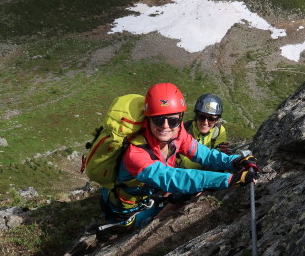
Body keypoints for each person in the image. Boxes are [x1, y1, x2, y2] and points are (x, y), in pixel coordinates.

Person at [100, 82, 259, 231]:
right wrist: (229, 179)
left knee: (180, 197)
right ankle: (116, 229)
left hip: (150, 194)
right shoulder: (136, 154)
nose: (165, 127)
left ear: (180, 119)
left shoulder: (178, 134)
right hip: (127, 208)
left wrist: (234, 161)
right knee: (144, 224)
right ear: (148, 120)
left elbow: (205, 155)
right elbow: (173, 179)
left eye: (173, 121)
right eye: (158, 119)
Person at [177, 93, 230, 171]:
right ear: (196, 116)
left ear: (216, 120)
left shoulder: (219, 131)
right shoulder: (184, 130)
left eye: (211, 119)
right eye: (201, 117)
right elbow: (187, 165)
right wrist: (216, 155)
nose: (205, 123)